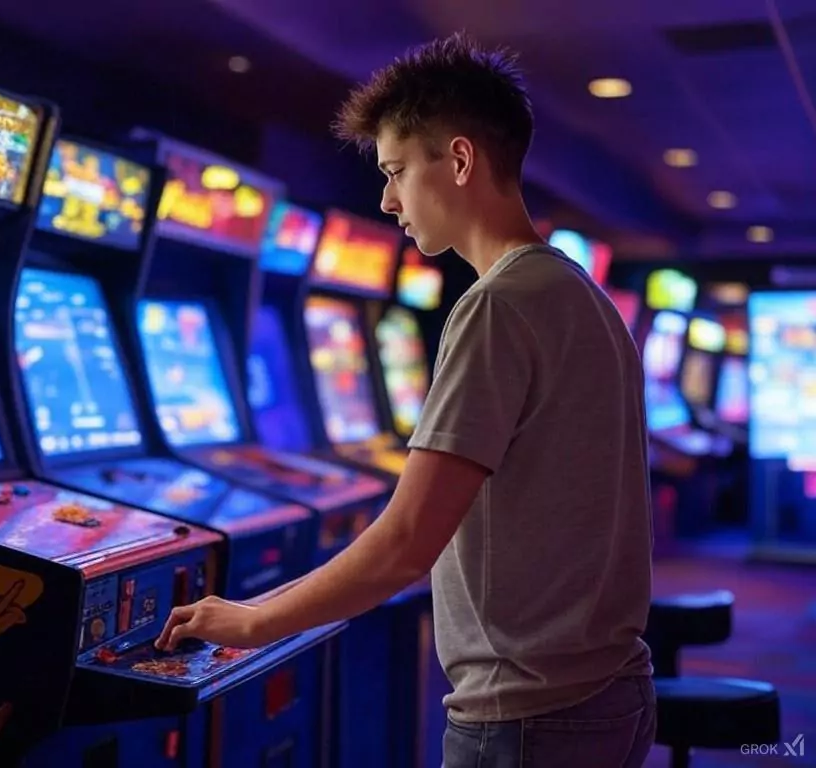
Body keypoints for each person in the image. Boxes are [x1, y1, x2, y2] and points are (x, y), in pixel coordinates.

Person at [157, 31, 657, 767]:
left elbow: (407, 542)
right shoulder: (581, 296)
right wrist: (257, 608)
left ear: (458, 160)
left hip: (528, 716)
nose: (387, 200)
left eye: (395, 171)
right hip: (606, 691)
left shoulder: (499, 305)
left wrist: (253, 625)